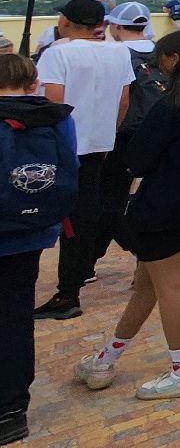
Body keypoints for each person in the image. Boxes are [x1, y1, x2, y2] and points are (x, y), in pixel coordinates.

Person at [73, 29, 180, 401]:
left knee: (172, 287)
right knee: (148, 286)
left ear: (173, 60)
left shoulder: (172, 105)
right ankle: (105, 358)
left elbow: (138, 160)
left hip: (161, 208)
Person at [31, 0, 133, 321]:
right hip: (98, 145)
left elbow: (53, 104)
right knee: (84, 214)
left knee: (53, 215)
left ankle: (67, 293)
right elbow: (124, 99)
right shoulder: (119, 51)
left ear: (65, 21)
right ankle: (75, 280)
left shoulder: (57, 54)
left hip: (64, 145)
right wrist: (107, 135)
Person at [0, 53, 77, 444]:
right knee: (15, 318)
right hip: (32, 231)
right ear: (34, 84)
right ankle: (11, 410)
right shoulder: (58, 117)